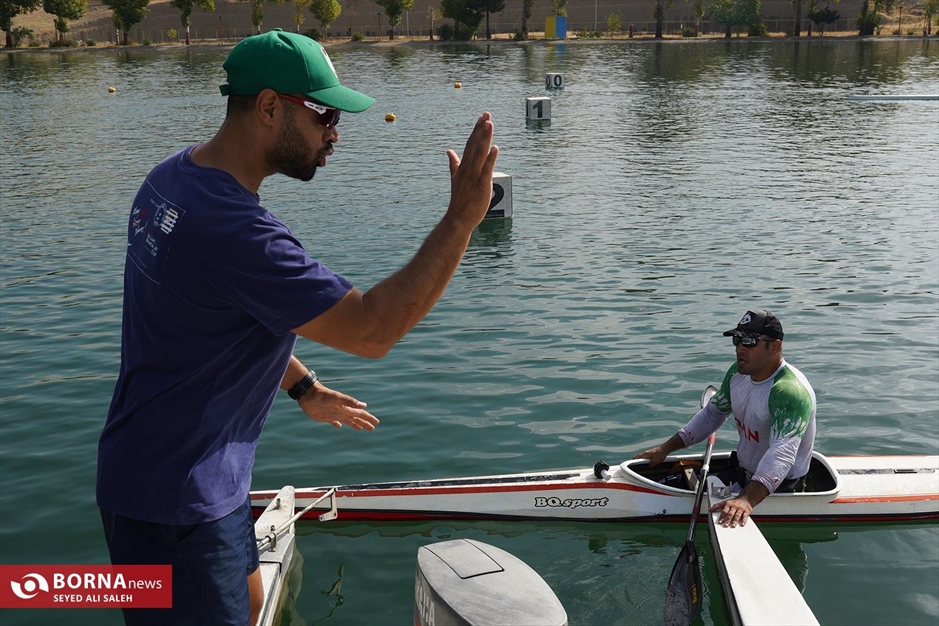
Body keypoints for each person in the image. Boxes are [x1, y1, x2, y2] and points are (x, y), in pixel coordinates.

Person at [96, 29, 498, 626]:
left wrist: (303, 387)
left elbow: (213, 313)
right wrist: (463, 220)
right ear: (267, 107)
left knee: (254, 602)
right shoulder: (235, 232)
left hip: (180, 479)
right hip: (177, 508)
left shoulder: (170, 178)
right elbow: (373, 330)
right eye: (325, 115)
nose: (335, 132)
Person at [635, 309, 816, 529]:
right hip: (743, 474)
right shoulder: (738, 374)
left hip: (780, 489)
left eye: (749, 341)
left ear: (775, 347)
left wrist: (746, 501)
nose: (740, 348)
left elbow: (782, 455)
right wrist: (665, 449)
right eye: (737, 340)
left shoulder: (789, 393)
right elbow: (712, 414)